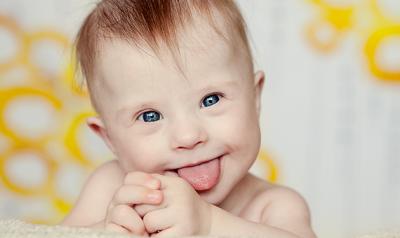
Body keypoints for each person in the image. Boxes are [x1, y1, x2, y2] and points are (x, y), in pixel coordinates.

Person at [61, 0, 316, 237]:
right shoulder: (110, 187)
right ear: (109, 138)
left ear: (255, 97)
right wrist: (105, 230)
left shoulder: (273, 206)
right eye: (150, 116)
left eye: (211, 99)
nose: (188, 136)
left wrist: (209, 224)